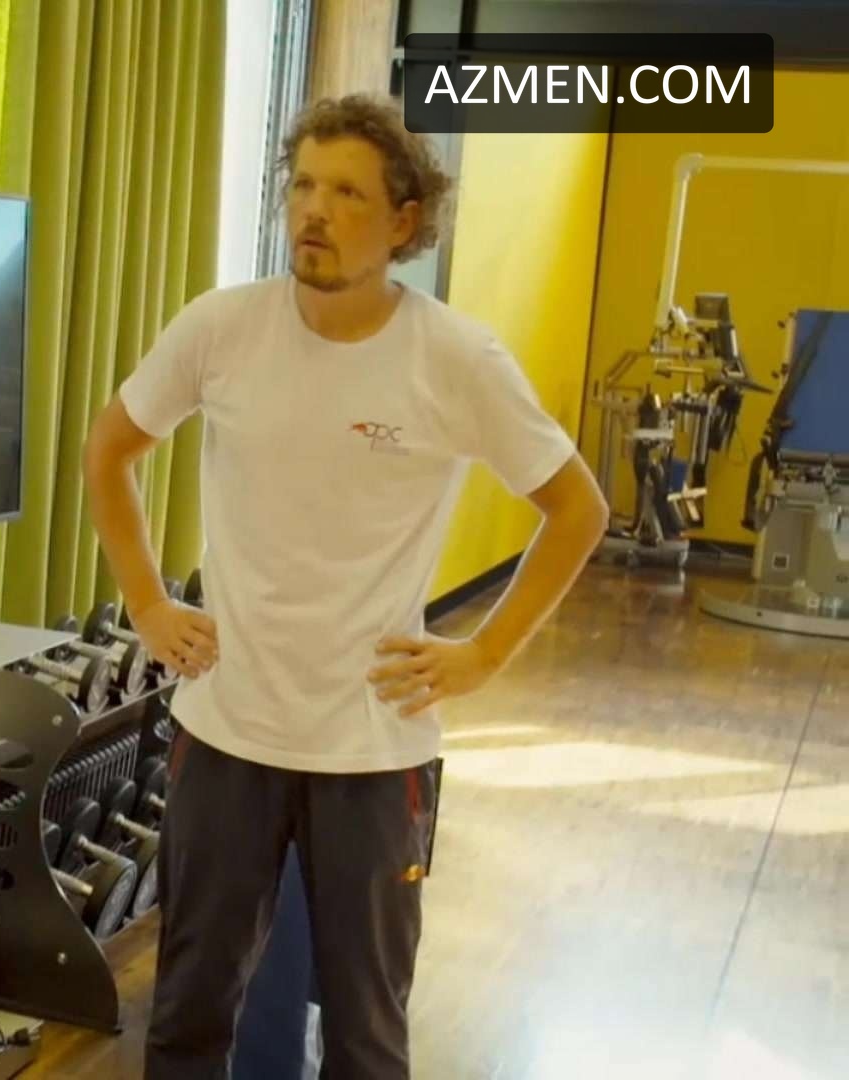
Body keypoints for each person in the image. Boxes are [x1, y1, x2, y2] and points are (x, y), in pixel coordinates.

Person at [82, 93, 610, 1079]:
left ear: (404, 221)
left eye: (347, 194)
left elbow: (578, 508)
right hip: (227, 731)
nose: (314, 211)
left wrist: (486, 653)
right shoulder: (222, 328)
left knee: (367, 1037)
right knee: (188, 1018)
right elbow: (109, 450)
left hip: (372, 751)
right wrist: (147, 602)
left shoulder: (456, 358)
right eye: (303, 186)